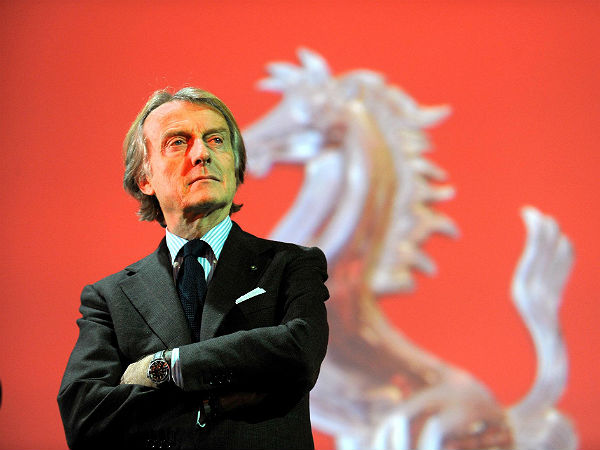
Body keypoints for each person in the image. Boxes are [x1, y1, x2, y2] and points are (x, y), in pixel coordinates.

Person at [57, 87, 329, 450]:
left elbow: (298, 353)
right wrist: (215, 400)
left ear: (235, 166)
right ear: (145, 179)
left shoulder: (291, 265)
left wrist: (165, 366)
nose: (202, 153)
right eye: (177, 142)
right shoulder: (109, 298)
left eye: (216, 140)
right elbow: (84, 417)